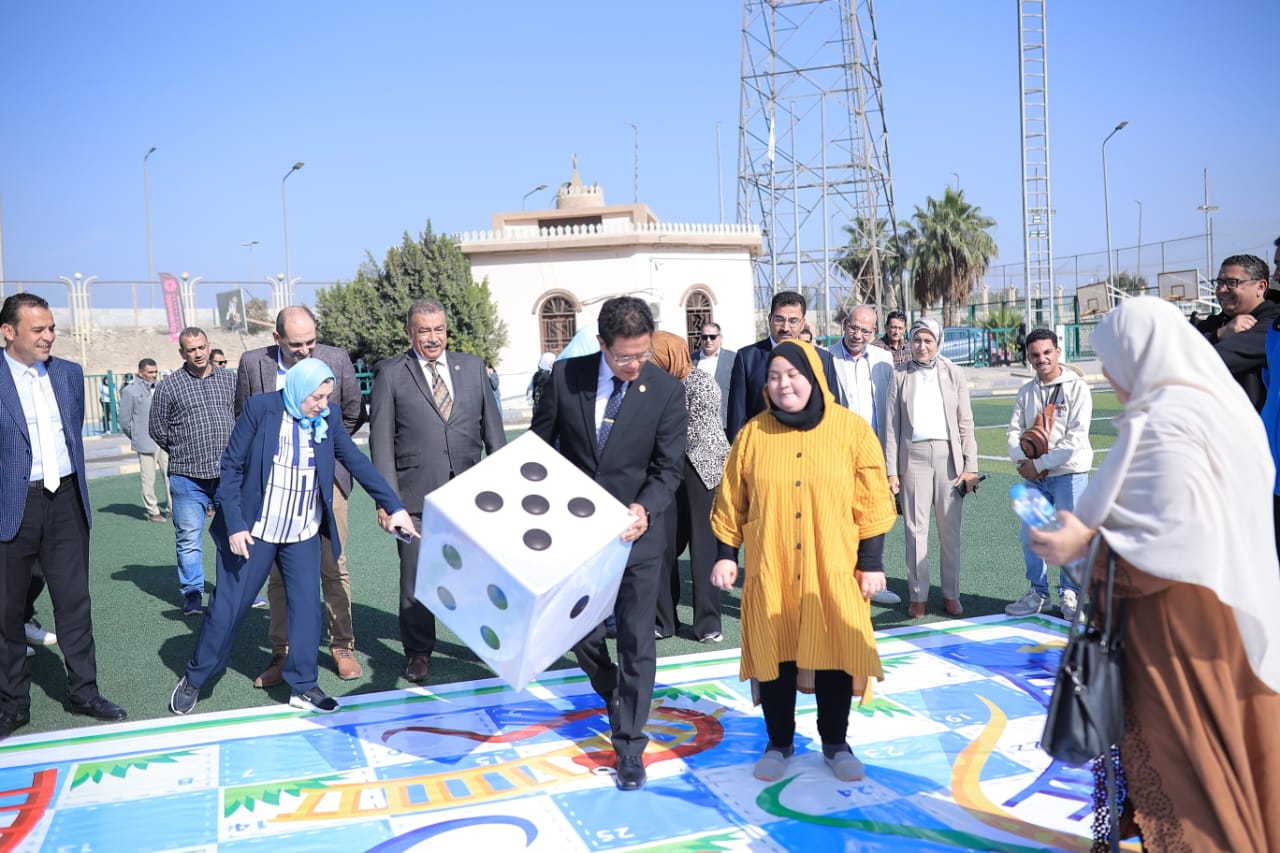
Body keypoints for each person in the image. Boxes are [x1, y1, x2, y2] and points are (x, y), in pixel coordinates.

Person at [1030, 296, 1280, 851]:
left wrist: (1080, 545)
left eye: (1114, 363)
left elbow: (1167, 547)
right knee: (1222, 762)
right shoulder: (1210, 410)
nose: (1110, 378)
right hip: (1221, 619)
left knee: (1193, 779)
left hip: (1179, 636)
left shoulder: (1170, 426)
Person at [169, 359, 417, 716]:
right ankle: (195, 677)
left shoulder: (328, 417)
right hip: (254, 531)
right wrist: (236, 524)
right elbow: (231, 466)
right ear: (298, 388)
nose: (323, 404)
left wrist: (393, 506)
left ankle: (303, 685)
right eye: (316, 397)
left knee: (306, 609)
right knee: (228, 608)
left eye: (327, 397)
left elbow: (356, 462)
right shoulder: (261, 409)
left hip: (302, 531)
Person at [709, 340, 896, 783]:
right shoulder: (753, 434)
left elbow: (872, 500)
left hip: (832, 565)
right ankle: (779, 742)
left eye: (793, 375)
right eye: (774, 377)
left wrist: (871, 563)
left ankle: (836, 743)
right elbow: (732, 499)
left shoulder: (850, 430)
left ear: (813, 377)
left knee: (834, 650)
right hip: (771, 564)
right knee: (775, 654)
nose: (783, 385)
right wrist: (725, 555)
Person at [530, 296, 687, 791]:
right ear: (601, 344)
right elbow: (538, 449)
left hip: (637, 538)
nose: (635, 364)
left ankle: (630, 746)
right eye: (624, 357)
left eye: (643, 353)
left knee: (638, 641)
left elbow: (668, 469)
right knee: (578, 631)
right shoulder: (565, 377)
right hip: (576, 537)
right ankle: (613, 690)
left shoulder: (665, 390)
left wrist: (645, 508)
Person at [0, 294, 127, 739]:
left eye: (51, 328)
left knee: (74, 603)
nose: (49, 336)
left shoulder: (69, 374)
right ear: (8, 332)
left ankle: (84, 693)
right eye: (38, 329)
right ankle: (13, 705)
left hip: (67, 500)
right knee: (7, 612)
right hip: (12, 505)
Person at [369, 298, 507, 685]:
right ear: (409, 332)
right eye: (424, 330)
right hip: (414, 499)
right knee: (416, 576)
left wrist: (505, 490)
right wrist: (387, 502)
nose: (433, 338)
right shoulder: (390, 374)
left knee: (478, 572)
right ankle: (418, 652)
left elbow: (494, 435)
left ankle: (485, 642)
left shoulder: (473, 367)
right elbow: (381, 443)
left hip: (472, 497)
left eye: (439, 329)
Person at [236, 306, 367, 684]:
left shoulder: (336, 359)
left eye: (311, 341)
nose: (306, 350)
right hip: (273, 486)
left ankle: (342, 645)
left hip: (326, 482)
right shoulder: (252, 364)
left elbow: (353, 413)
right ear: (277, 338)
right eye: (296, 344)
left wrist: (322, 448)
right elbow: (243, 414)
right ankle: (283, 652)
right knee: (278, 573)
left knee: (333, 565)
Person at [883, 317, 979, 619]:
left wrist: (971, 466)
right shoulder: (899, 375)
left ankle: (951, 594)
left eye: (928, 340)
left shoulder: (953, 372)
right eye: (917, 340)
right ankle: (918, 596)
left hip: (949, 460)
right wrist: (891, 471)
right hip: (913, 459)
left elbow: (966, 423)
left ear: (938, 343)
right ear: (909, 342)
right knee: (915, 531)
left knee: (950, 532)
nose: (922, 346)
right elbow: (891, 428)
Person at [1003, 328, 1093, 621]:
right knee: (1031, 535)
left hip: (1069, 473)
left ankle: (1071, 594)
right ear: (1028, 358)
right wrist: (1022, 459)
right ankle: (1038, 593)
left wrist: (1040, 464)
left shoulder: (1077, 388)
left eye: (1046, 352)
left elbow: (1075, 438)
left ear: (1057, 352)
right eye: (1034, 355)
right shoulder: (1026, 391)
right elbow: (1013, 431)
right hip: (1034, 476)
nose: (1041, 359)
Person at [149, 327, 237, 616]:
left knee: (233, 534)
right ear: (182, 353)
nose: (198, 354)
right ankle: (192, 593)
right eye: (191, 349)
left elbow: (241, 419)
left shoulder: (230, 380)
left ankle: (235, 590)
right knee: (188, 538)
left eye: (201, 347)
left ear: (208, 346)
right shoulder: (169, 386)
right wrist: (185, 450)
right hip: (187, 477)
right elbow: (157, 429)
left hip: (227, 475)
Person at [649, 330, 729, 643]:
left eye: (653, 357)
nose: (648, 363)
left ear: (670, 355)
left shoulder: (701, 382)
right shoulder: (652, 385)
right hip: (666, 469)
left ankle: (707, 624)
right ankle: (663, 621)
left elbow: (695, 429)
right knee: (663, 545)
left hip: (700, 470)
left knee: (703, 548)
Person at [829, 305, 900, 606]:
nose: (857, 335)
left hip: (875, 453)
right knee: (841, 519)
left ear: (874, 333)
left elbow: (891, 408)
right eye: (853, 327)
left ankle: (872, 580)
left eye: (865, 330)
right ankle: (841, 581)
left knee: (873, 518)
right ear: (845, 325)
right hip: (838, 454)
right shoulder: (826, 357)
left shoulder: (884, 360)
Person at [727, 291, 844, 443]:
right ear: (769, 319)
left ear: (802, 323)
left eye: (793, 320)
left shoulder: (823, 359)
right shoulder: (747, 358)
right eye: (779, 319)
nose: (785, 327)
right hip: (762, 449)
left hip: (811, 449)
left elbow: (833, 413)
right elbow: (737, 417)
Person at [1195, 253, 1277, 411]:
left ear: (1260, 287)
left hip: (1256, 424)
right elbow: (1172, 352)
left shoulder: (1272, 325)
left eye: (1232, 283)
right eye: (1219, 283)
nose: (1222, 290)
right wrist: (1218, 334)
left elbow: (1206, 362)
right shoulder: (1214, 325)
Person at [117, 358, 171, 522]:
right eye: (150, 372)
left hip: (164, 441)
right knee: (149, 478)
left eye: (156, 372)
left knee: (170, 475)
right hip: (145, 441)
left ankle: (172, 508)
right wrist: (137, 436)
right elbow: (124, 420)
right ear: (141, 373)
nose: (154, 375)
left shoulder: (162, 387)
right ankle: (153, 511)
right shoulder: (130, 391)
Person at [691, 321, 735, 431]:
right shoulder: (691, 360)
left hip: (724, 424)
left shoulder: (733, 359)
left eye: (712, 337)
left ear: (720, 338)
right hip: (698, 425)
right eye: (704, 337)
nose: (708, 340)